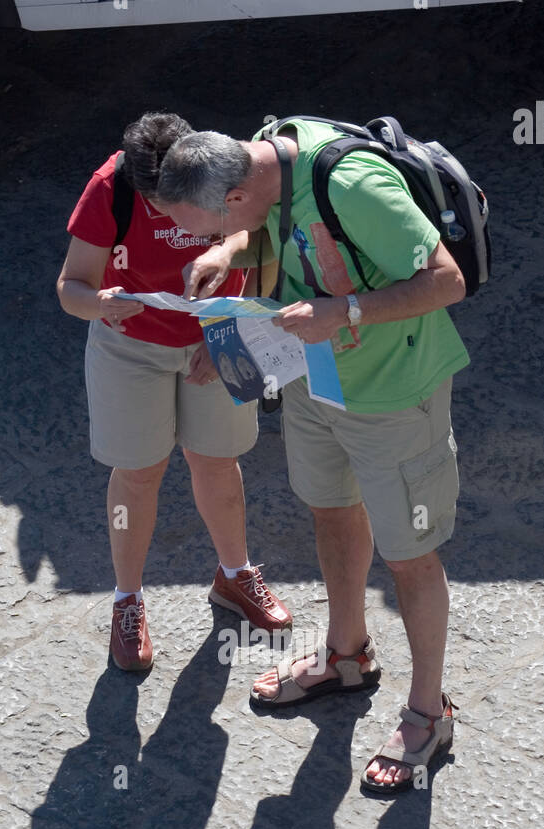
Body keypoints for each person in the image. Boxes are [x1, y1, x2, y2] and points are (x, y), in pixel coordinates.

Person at [150, 118, 470, 793]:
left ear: (235, 192)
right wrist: (227, 257)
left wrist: (345, 312)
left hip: (393, 393)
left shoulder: (353, 188)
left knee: (409, 555)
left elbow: (447, 281)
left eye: (206, 228)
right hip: (315, 377)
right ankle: (347, 657)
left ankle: (428, 711)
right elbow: (258, 228)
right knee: (330, 510)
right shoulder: (265, 153)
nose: (207, 238)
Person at [56, 112, 291, 672]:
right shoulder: (108, 189)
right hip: (130, 345)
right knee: (138, 472)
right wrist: (101, 304)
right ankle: (127, 600)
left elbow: (260, 241)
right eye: (159, 204)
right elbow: (71, 287)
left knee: (220, 460)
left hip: (223, 331)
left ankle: (236, 576)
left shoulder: (223, 166)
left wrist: (235, 320)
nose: (174, 213)